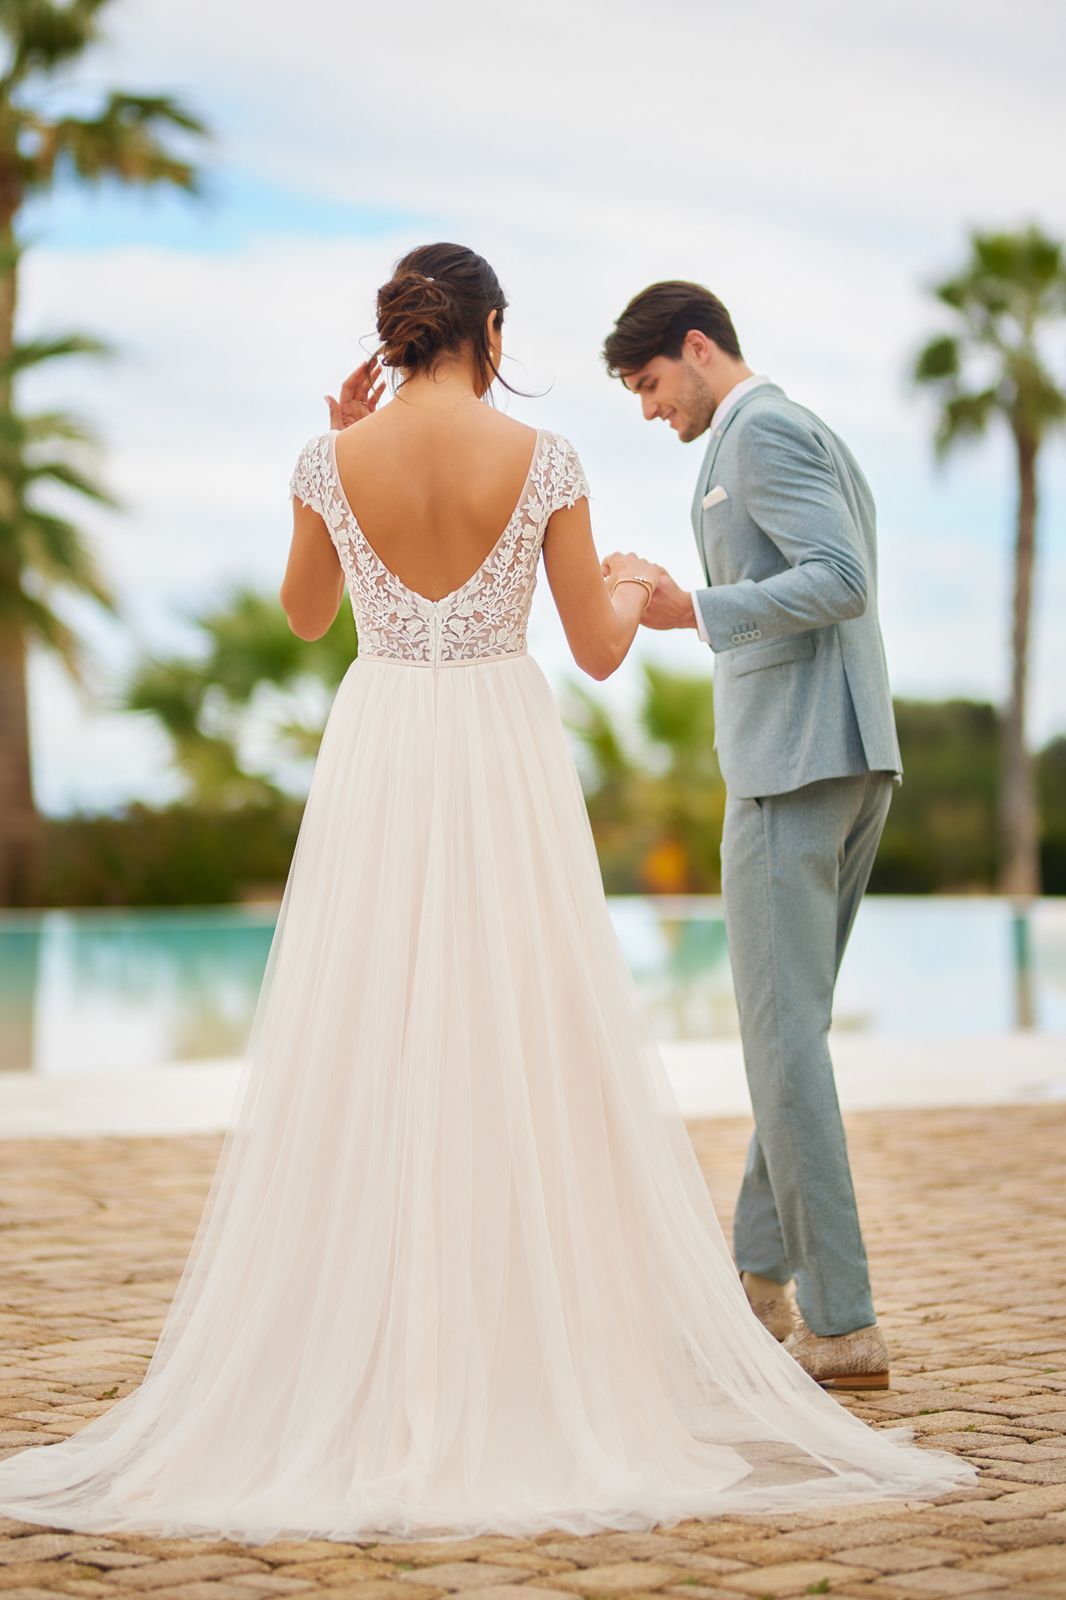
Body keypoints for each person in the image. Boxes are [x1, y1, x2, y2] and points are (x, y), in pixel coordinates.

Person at [0, 244, 972, 1544]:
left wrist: (336, 458)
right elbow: (592, 646)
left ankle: (388, 1338)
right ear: (491, 329)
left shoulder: (327, 459)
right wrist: (632, 588)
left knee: (368, 1031)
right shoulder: (546, 461)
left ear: (394, 342)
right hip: (501, 756)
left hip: (382, 752)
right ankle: (557, 1329)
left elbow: (302, 616)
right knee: (522, 1031)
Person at [602, 280, 903, 1389]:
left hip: (793, 767)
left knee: (778, 1043)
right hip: (845, 753)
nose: (647, 409)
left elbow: (840, 580)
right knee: (793, 1033)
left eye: (646, 384)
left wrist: (695, 610)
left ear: (695, 347)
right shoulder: (798, 424)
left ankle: (843, 1318)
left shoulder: (759, 429)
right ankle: (756, 1278)